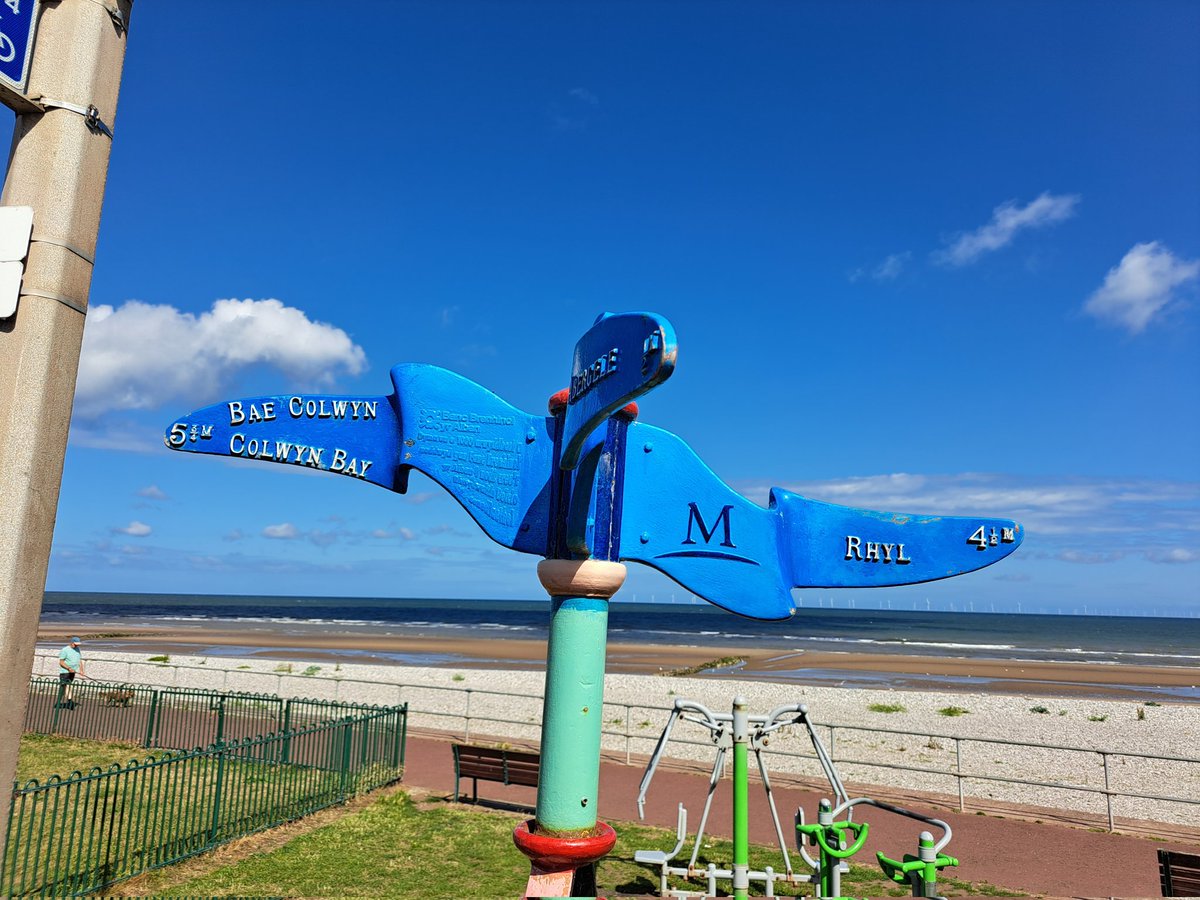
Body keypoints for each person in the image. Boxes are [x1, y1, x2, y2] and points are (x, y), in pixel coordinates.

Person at [56, 636, 84, 709]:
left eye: (78, 644)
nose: (77, 646)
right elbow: (61, 662)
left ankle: (68, 701)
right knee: (65, 686)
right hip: (65, 672)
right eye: (75, 644)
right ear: (71, 643)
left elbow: (79, 660)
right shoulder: (65, 650)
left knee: (67, 686)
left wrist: (81, 670)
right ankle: (68, 701)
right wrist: (68, 668)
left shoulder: (77, 649)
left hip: (73, 672)